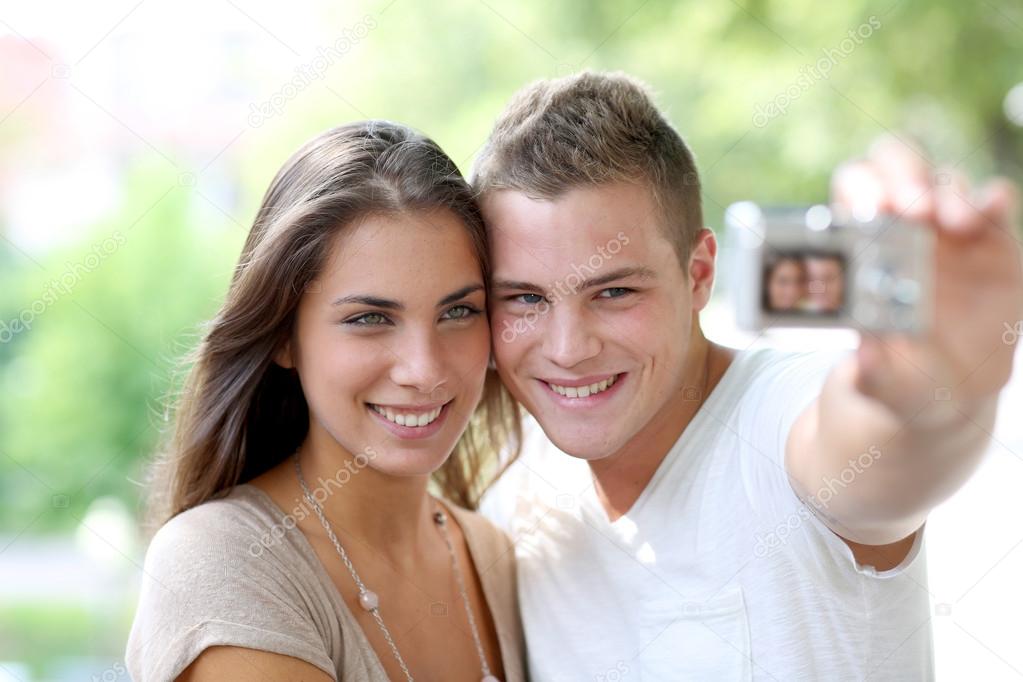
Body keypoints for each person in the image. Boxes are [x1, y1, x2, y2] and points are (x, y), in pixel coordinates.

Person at [474, 71, 1022, 680]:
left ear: (699, 274)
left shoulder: (777, 416)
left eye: (616, 291)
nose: (569, 348)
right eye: (524, 299)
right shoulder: (514, 485)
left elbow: (879, 455)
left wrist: (933, 395)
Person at [126, 121, 525, 681]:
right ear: (285, 337)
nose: (424, 369)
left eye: (458, 311)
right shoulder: (224, 561)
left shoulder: (495, 557)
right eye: (369, 319)